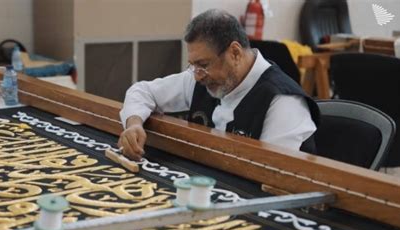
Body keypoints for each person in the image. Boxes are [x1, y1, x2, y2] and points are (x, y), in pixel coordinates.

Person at [119, 9, 319, 161]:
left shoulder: (283, 101)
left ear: (235, 53)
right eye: (194, 65)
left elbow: (272, 173)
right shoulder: (201, 77)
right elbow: (142, 91)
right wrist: (134, 124)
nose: (197, 76)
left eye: (203, 65)